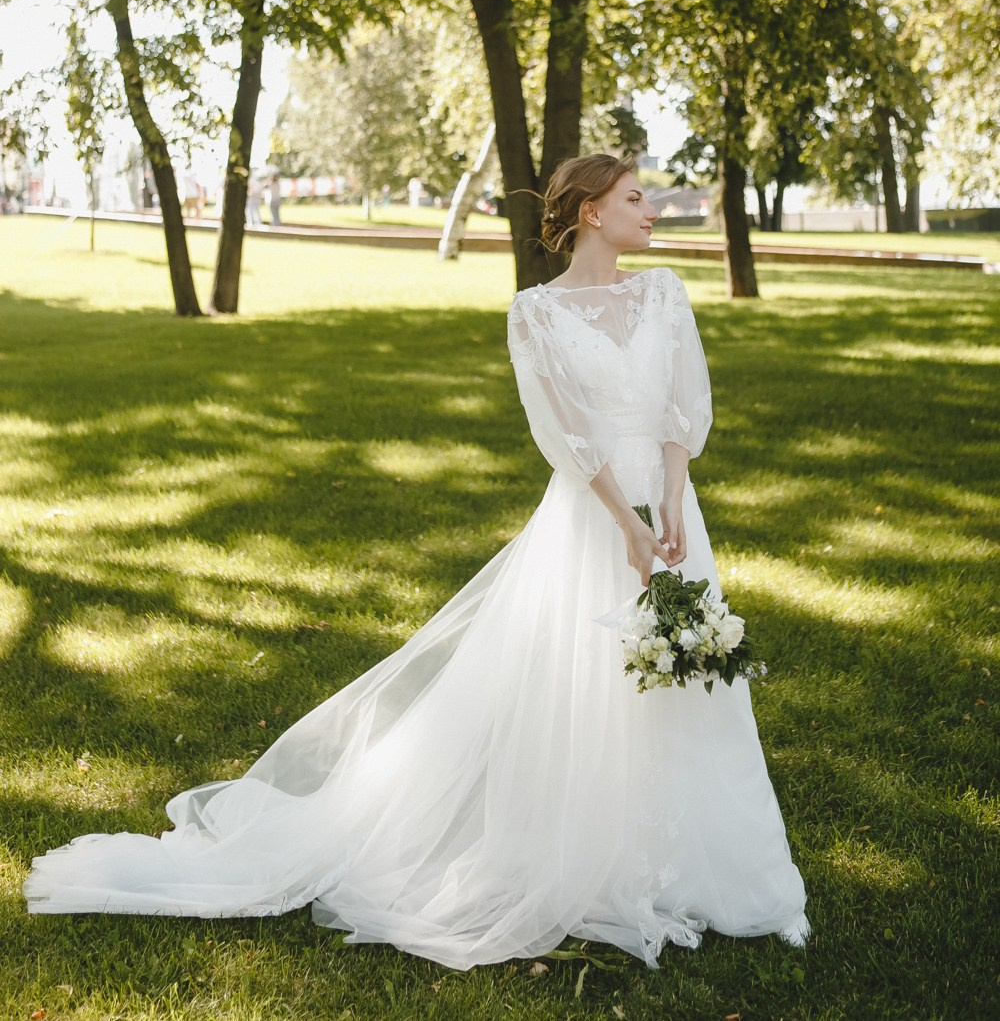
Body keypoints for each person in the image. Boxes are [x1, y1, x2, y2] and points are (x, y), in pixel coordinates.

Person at [23, 154, 808, 966]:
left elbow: (684, 402)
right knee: (583, 688)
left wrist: (672, 503)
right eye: (635, 198)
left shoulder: (664, 294)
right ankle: (587, 853)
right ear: (589, 213)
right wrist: (628, 526)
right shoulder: (534, 313)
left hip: (676, 517)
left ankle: (727, 874)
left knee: (694, 687)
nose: (652, 211)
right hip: (594, 521)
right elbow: (566, 434)